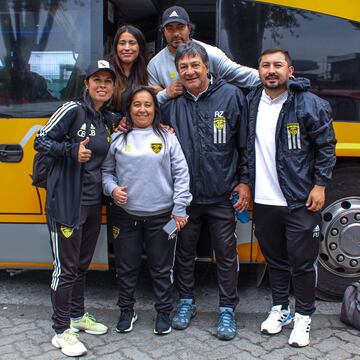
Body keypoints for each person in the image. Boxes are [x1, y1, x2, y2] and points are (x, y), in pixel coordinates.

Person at [161, 42, 251, 341]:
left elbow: (245, 144)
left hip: (222, 195)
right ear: (178, 71)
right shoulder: (171, 104)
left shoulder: (232, 96)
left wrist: (244, 181)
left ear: (206, 66)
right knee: (184, 253)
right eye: (183, 67)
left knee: (225, 254)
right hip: (184, 199)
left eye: (194, 65)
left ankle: (227, 309)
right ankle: (186, 302)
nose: (189, 71)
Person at [247, 49, 336, 347]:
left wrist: (320, 185)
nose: (271, 70)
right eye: (265, 65)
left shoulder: (309, 104)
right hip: (264, 200)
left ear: (290, 70)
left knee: (302, 262)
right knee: (276, 261)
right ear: (258, 70)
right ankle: (281, 309)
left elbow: (326, 146)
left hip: (299, 200)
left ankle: (304, 317)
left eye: (278, 65)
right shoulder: (250, 103)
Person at [34, 59, 118, 357]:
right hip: (66, 201)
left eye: (108, 81)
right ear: (87, 84)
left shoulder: (104, 117)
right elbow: (40, 139)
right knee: (65, 268)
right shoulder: (72, 110)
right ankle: (60, 331)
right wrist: (70, 150)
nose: (102, 85)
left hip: (92, 202)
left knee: (81, 265)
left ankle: (77, 315)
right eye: (97, 80)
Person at [102, 86, 192, 335]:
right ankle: (126, 310)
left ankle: (163, 312)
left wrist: (180, 208)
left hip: (162, 217)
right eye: (137, 104)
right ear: (129, 110)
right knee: (126, 267)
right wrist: (112, 190)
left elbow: (181, 175)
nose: (142, 109)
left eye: (148, 105)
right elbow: (106, 172)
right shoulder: (118, 138)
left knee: (162, 268)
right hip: (126, 216)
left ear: (155, 109)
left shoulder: (167, 137)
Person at [147, 5, 259, 104]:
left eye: (180, 27)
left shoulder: (210, 54)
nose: (176, 33)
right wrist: (166, 93)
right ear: (163, 32)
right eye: (170, 28)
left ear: (189, 28)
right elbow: (148, 103)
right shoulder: (155, 65)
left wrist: (269, 77)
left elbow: (241, 74)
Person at [107, 24, 149, 113]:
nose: (127, 48)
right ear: (116, 47)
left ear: (140, 47)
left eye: (132, 43)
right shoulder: (106, 71)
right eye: (122, 43)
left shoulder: (146, 71)